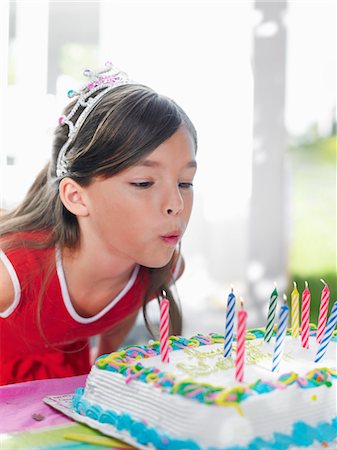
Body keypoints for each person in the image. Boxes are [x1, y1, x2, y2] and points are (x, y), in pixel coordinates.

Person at [0, 62, 197, 385]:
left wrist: (104, 360)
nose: (175, 205)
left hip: (63, 395)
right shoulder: (11, 276)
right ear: (77, 197)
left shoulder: (162, 268)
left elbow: (122, 310)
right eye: (144, 183)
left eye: (185, 182)